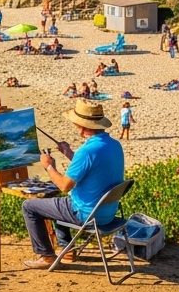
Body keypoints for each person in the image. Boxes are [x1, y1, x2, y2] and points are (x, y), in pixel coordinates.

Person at [22, 100, 125, 269]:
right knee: (60, 204)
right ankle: (67, 250)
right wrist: (69, 153)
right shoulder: (114, 145)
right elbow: (92, 167)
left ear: (83, 127)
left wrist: (48, 166)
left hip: (88, 215)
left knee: (29, 207)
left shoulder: (87, 151)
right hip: (109, 213)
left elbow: (64, 186)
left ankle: (46, 257)